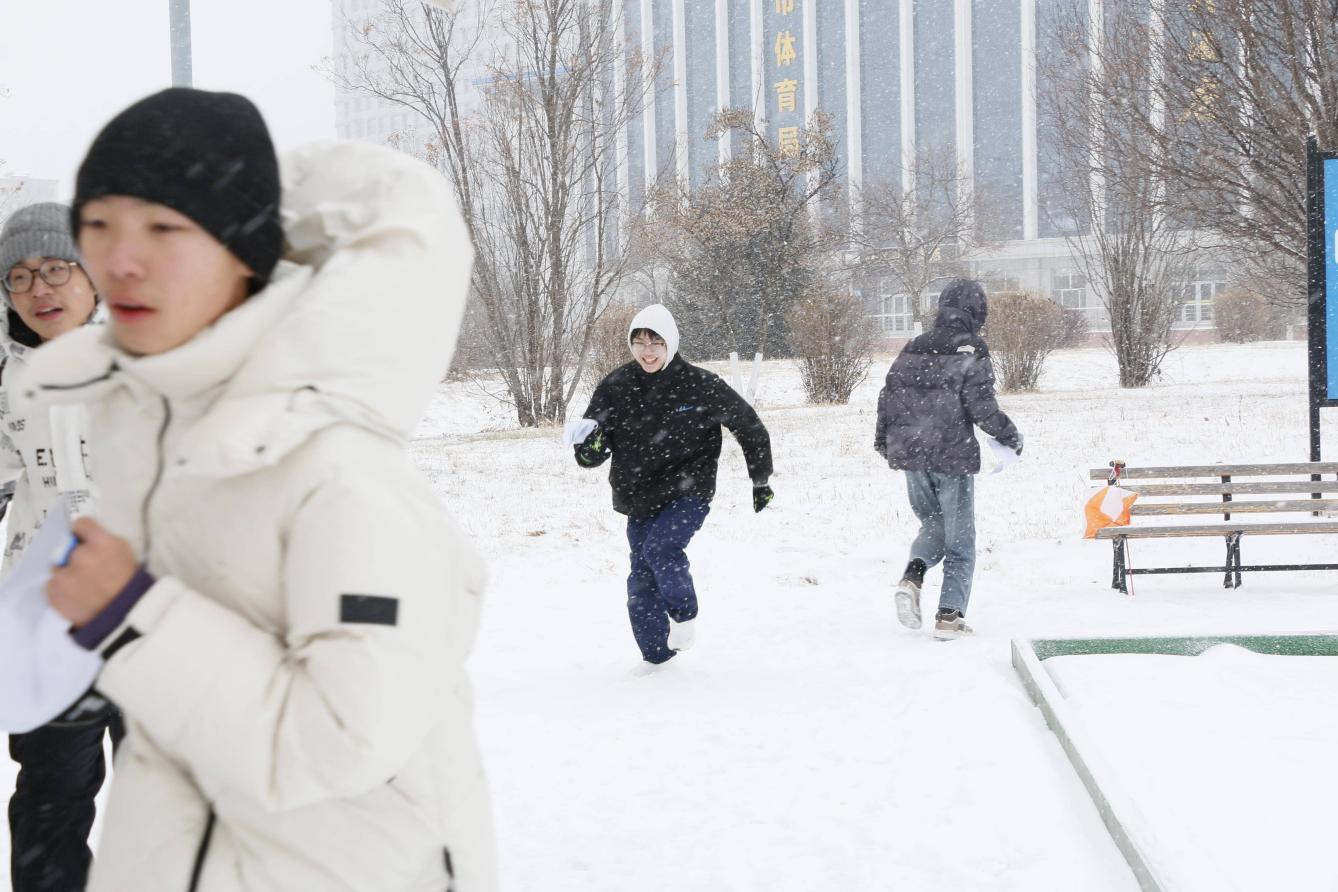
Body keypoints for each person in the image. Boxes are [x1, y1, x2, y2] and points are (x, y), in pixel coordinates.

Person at [17, 88, 496, 890]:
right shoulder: (155, 435)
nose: (122, 259)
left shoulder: (340, 474)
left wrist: (126, 614)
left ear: (243, 251)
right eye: (99, 226)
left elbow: (341, 739)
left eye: (164, 228)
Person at [0, 202, 123, 892]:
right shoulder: (9, 375)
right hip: (48, 619)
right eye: (18, 278)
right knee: (50, 798)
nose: (39, 289)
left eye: (54, 269)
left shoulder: (153, 351)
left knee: (170, 796)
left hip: (151, 611)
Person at [573, 304, 773, 671]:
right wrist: (590, 449)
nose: (647, 351)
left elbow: (749, 427)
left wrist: (760, 479)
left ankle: (683, 615)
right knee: (641, 578)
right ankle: (657, 659)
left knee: (661, 549)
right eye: (639, 342)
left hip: (688, 490)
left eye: (656, 342)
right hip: (638, 496)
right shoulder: (616, 387)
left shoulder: (699, 384)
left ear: (671, 343)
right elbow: (588, 447)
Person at [874, 278, 1022, 640]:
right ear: (977, 312)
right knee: (960, 541)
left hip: (911, 454)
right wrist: (1008, 434)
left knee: (935, 525)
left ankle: (912, 577)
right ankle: (950, 616)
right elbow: (981, 405)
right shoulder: (971, 348)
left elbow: (887, 394)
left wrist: (884, 441)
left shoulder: (914, 345)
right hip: (951, 456)